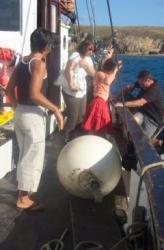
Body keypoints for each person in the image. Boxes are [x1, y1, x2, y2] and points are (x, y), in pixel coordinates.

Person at [6, 28, 64, 210]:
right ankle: (23, 199)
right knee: (32, 157)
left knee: (24, 154)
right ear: (45, 46)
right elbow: (34, 94)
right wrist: (55, 109)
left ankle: (22, 193)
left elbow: (8, 90)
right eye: (51, 46)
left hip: (21, 112)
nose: (52, 49)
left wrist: (17, 107)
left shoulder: (22, 61)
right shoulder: (39, 64)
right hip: (32, 115)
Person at [62, 40, 95, 143]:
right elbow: (68, 70)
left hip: (82, 91)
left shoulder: (88, 59)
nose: (92, 51)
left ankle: (74, 138)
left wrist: (86, 65)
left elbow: (93, 73)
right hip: (71, 92)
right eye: (90, 49)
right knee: (73, 118)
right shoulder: (75, 56)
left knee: (81, 116)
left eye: (93, 49)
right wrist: (71, 84)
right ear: (84, 48)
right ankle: (65, 139)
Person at [115, 70, 164, 138]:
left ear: (149, 80)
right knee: (131, 123)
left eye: (142, 84)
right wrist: (117, 96)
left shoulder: (155, 89)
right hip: (143, 112)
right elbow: (129, 87)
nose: (141, 86)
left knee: (143, 139)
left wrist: (123, 104)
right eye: (140, 84)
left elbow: (141, 102)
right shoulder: (142, 82)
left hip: (152, 120)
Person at [81, 58, 119, 135]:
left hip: (101, 102)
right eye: (112, 69)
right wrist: (115, 71)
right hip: (98, 101)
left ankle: (95, 139)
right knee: (96, 124)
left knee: (99, 124)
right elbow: (108, 81)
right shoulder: (100, 73)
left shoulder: (106, 75)